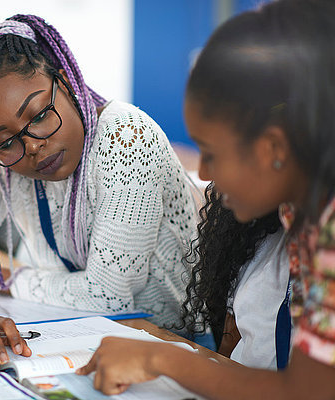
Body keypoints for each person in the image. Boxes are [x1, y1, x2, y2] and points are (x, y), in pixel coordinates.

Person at [77, 0, 335, 398]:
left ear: (273, 148)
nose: (207, 173)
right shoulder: (297, 213)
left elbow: (307, 392)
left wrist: (160, 359)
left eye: (211, 152)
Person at [0, 14, 197, 365]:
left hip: (175, 345)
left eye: (38, 116)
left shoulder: (126, 138)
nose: (32, 146)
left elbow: (108, 296)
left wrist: (10, 280)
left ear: (63, 82)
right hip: (82, 338)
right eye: (5, 142)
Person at [180, 184, 289, 369]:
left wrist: (162, 360)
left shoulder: (319, 259)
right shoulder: (258, 239)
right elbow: (230, 340)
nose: (204, 174)